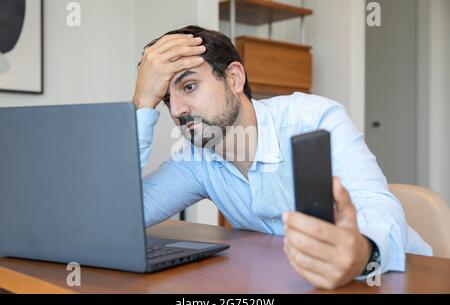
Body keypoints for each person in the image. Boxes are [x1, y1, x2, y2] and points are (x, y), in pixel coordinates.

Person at [132, 25, 431, 289]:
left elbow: (377, 206)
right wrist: (142, 104)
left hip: (404, 277)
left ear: (234, 78)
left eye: (189, 86)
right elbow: (127, 215)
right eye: (166, 99)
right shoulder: (195, 159)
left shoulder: (314, 119)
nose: (177, 111)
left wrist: (359, 253)